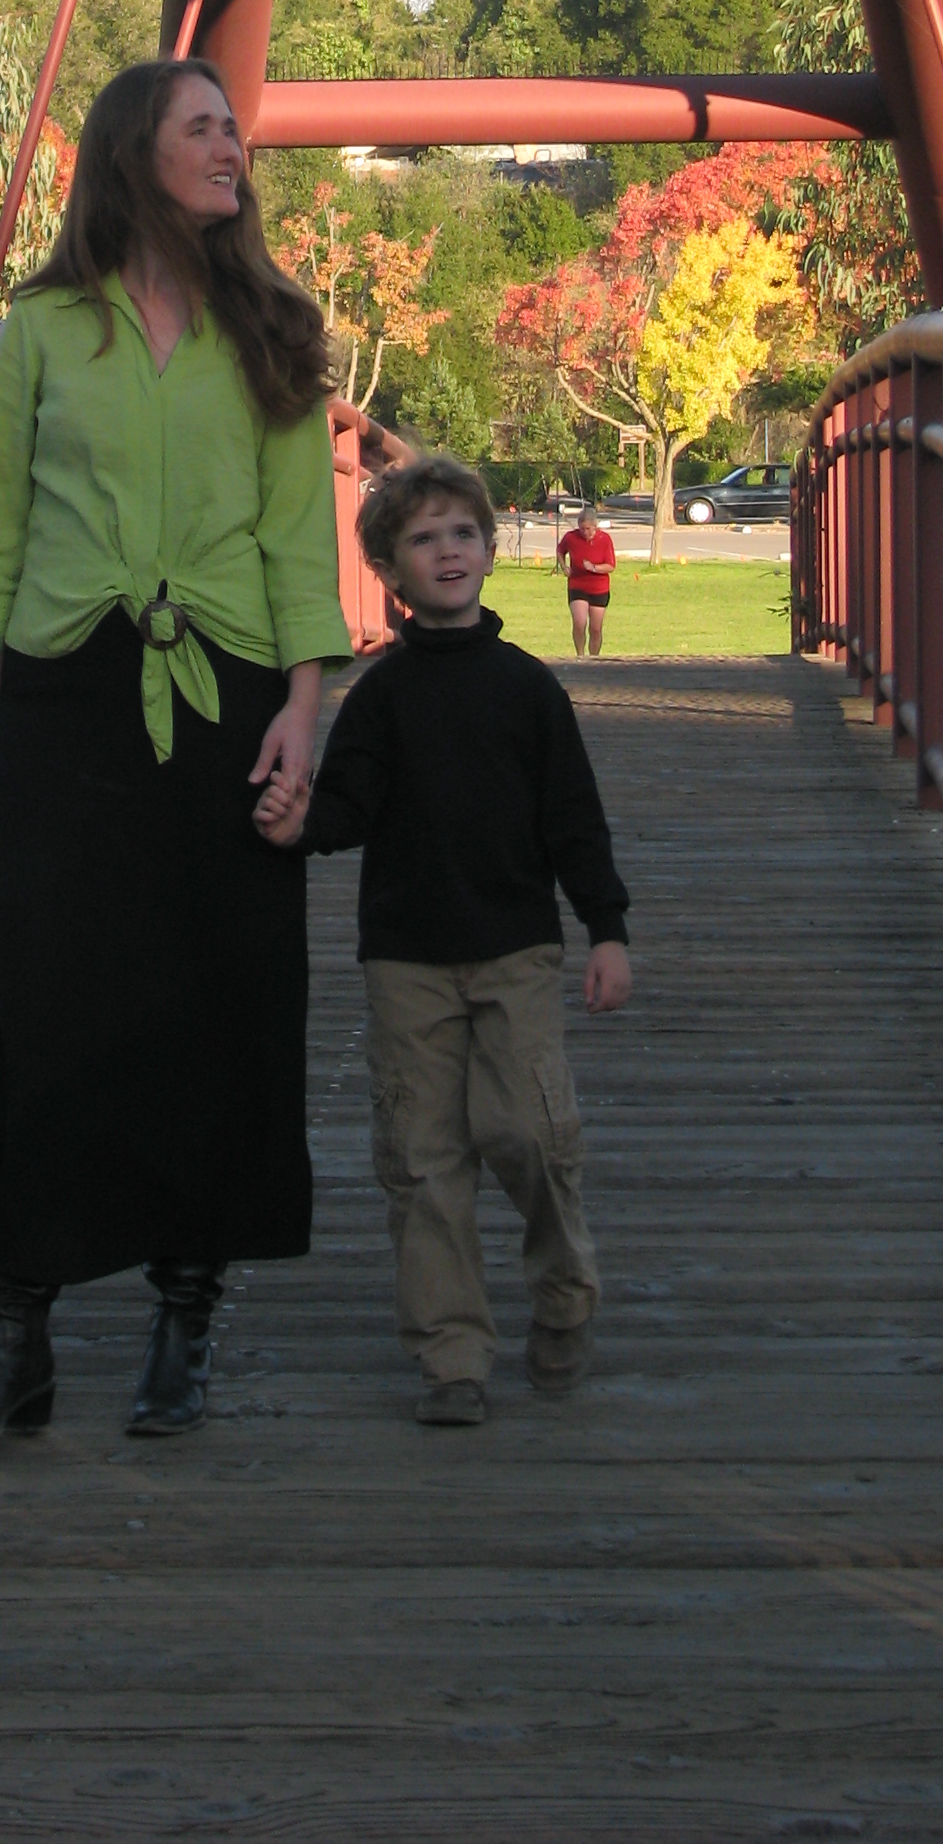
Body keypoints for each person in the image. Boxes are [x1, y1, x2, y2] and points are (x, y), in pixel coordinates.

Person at [0, 57, 350, 1449]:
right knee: (46, 1002)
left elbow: (298, 541)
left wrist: (305, 708)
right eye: (202, 127)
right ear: (133, 154)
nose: (233, 146)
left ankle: (186, 1310)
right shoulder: (46, 329)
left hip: (231, 695)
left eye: (235, 128)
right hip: (66, 692)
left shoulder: (274, 327)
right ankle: (17, 1326)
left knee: (221, 997)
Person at [259, 454, 632, 1427]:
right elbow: (349, 806)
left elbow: (574, 820)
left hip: (516, 945)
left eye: (463, 533)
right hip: (407, 953)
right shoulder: (381, 697)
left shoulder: (528, 689)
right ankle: (451, 1356)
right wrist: (300, 824)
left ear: (490, 551)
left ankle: (564, 1294)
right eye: (423, 539)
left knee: (530, 1132)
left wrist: (606, 929)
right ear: (389, 571)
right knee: (421, 1156)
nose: (448, 551)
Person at [555, 499, 616, 656]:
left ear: (595, 526)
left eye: (588, 529)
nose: (585, 532)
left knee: (595, 628)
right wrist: (564, 566)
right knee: (579, 622)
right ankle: (580, 655)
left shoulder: (604, 539)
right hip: (577, 585)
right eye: (582, 528)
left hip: (599, 588)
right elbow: (560, 550)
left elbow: (611, 566)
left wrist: (594, 568)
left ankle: (594, 658)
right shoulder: (571, 537)